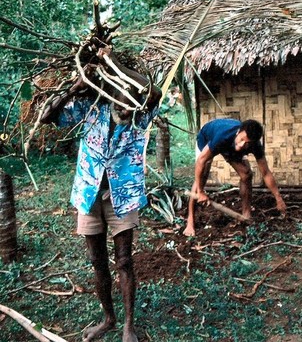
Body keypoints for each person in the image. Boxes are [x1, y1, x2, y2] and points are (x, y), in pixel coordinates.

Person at [41, 47, 161, 342]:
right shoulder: (92, 108)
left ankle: (128, 326)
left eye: (132, 101)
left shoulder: (139, 116)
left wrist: (115, 62)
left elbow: (153, 92)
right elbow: (46, 116)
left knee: (124, 261)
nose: (128, 108)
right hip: (88, 195)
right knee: (97, 261)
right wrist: (75, 88)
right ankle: (108, 318)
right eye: (122, 101)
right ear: (110, 94)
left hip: (124, 197)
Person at [183, 118, 287, 237]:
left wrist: (279, 199)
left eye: (247, 143)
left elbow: (266, 173)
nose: (242, 144)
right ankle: (190, 220)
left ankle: (246, 214)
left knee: (246, 174)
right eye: (242, 139)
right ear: (238, 132)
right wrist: (201, 192)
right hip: (207, 136)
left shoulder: (255, 145)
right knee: (203, 173)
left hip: (230, 146)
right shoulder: (223, 136)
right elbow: (201, 161)